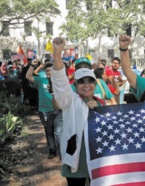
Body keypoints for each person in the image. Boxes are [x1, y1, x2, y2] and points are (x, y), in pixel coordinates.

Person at [51, 37, 106, 185]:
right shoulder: (71, 100)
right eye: (81, 81)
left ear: (95, 83)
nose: (86, 85)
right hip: (76, 156)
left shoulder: (101, 102)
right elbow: (60, 83)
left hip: (97, 157)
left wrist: (98, 110)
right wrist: (57, 53)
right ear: (75, 84)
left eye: (90, 81)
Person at [26, 59, 63, 159]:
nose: (49, 72)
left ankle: (62, 151)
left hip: (59, 110)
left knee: (59, 132)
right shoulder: (41, 80)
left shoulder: (60, 82)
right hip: (44, 111)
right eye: (47, 70)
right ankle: (52, 150)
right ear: (45, 72)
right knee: (49, 131)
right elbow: (28, 76)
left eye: (51, 70)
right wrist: (32, 66)